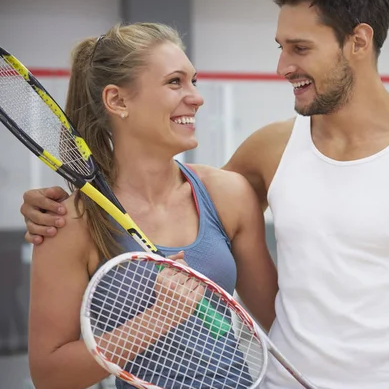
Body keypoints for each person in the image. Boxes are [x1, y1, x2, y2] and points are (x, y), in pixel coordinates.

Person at [16, 0, 389, 389]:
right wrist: (51, 209)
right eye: (280, 47)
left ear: (358, 41)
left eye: (299, 48)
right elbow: (174, 201)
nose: (282, 66)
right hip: (279, 380)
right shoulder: (268, 151)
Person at [22, 22, 281, 389]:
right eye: (175, 82)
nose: (196, 97)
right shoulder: (70, 223)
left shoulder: (228, 194)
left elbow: (278, 321)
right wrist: (159, 318)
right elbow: (49, 376)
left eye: (194, 81)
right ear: (117, 101)